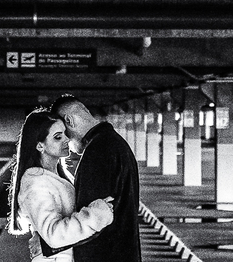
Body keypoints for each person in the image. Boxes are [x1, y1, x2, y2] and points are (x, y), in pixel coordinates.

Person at [9, 108, 114, 262]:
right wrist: (96, 215)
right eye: (57, 137)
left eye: (65, 133)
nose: (66, 139)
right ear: (40, 146)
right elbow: (54, 235)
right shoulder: (36, 183)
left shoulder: (54, 176)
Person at [51, 95, 141, 262]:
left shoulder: (98, 152)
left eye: (63, 133)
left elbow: (91, 221)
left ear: (69, 121)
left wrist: (49, 245)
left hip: (105, 255)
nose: (65, 140)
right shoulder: (113, 143)